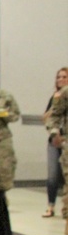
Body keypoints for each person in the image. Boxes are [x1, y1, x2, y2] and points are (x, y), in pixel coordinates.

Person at [44, 67, 68, 221]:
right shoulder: (62, 95)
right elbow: (52, 117)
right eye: (59, 77)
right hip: (63, 141)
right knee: (55, 176)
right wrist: (55, 133)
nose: (61, 79)